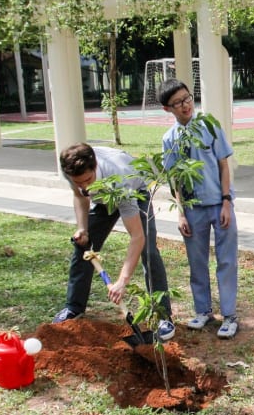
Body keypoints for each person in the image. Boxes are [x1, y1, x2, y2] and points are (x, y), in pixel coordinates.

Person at [54, 143, 175, 340]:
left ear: (95, 168)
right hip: (103, 200)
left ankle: (163, 315)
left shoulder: (120, 180)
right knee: (82, 247)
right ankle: (73, 308)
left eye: (88, 180)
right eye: (78, 182)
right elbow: (80, 197)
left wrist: (122, 281)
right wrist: (82, 228)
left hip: (135, 192)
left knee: (149, 252)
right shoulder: (72, 172)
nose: (84, 187)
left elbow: (137, 236)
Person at [159, 78, 239, 339]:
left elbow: (224, 165)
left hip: (219, 204)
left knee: (226, 261)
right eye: (178, 103)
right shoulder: (169, 139)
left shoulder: (208, 125)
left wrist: (227, 201)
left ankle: (229, 315)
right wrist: (181, 212)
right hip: (193, 210)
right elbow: (176, 179)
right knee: (197, 262)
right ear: (167, 109)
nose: (185, 106)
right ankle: (203, 310)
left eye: (187, 99)